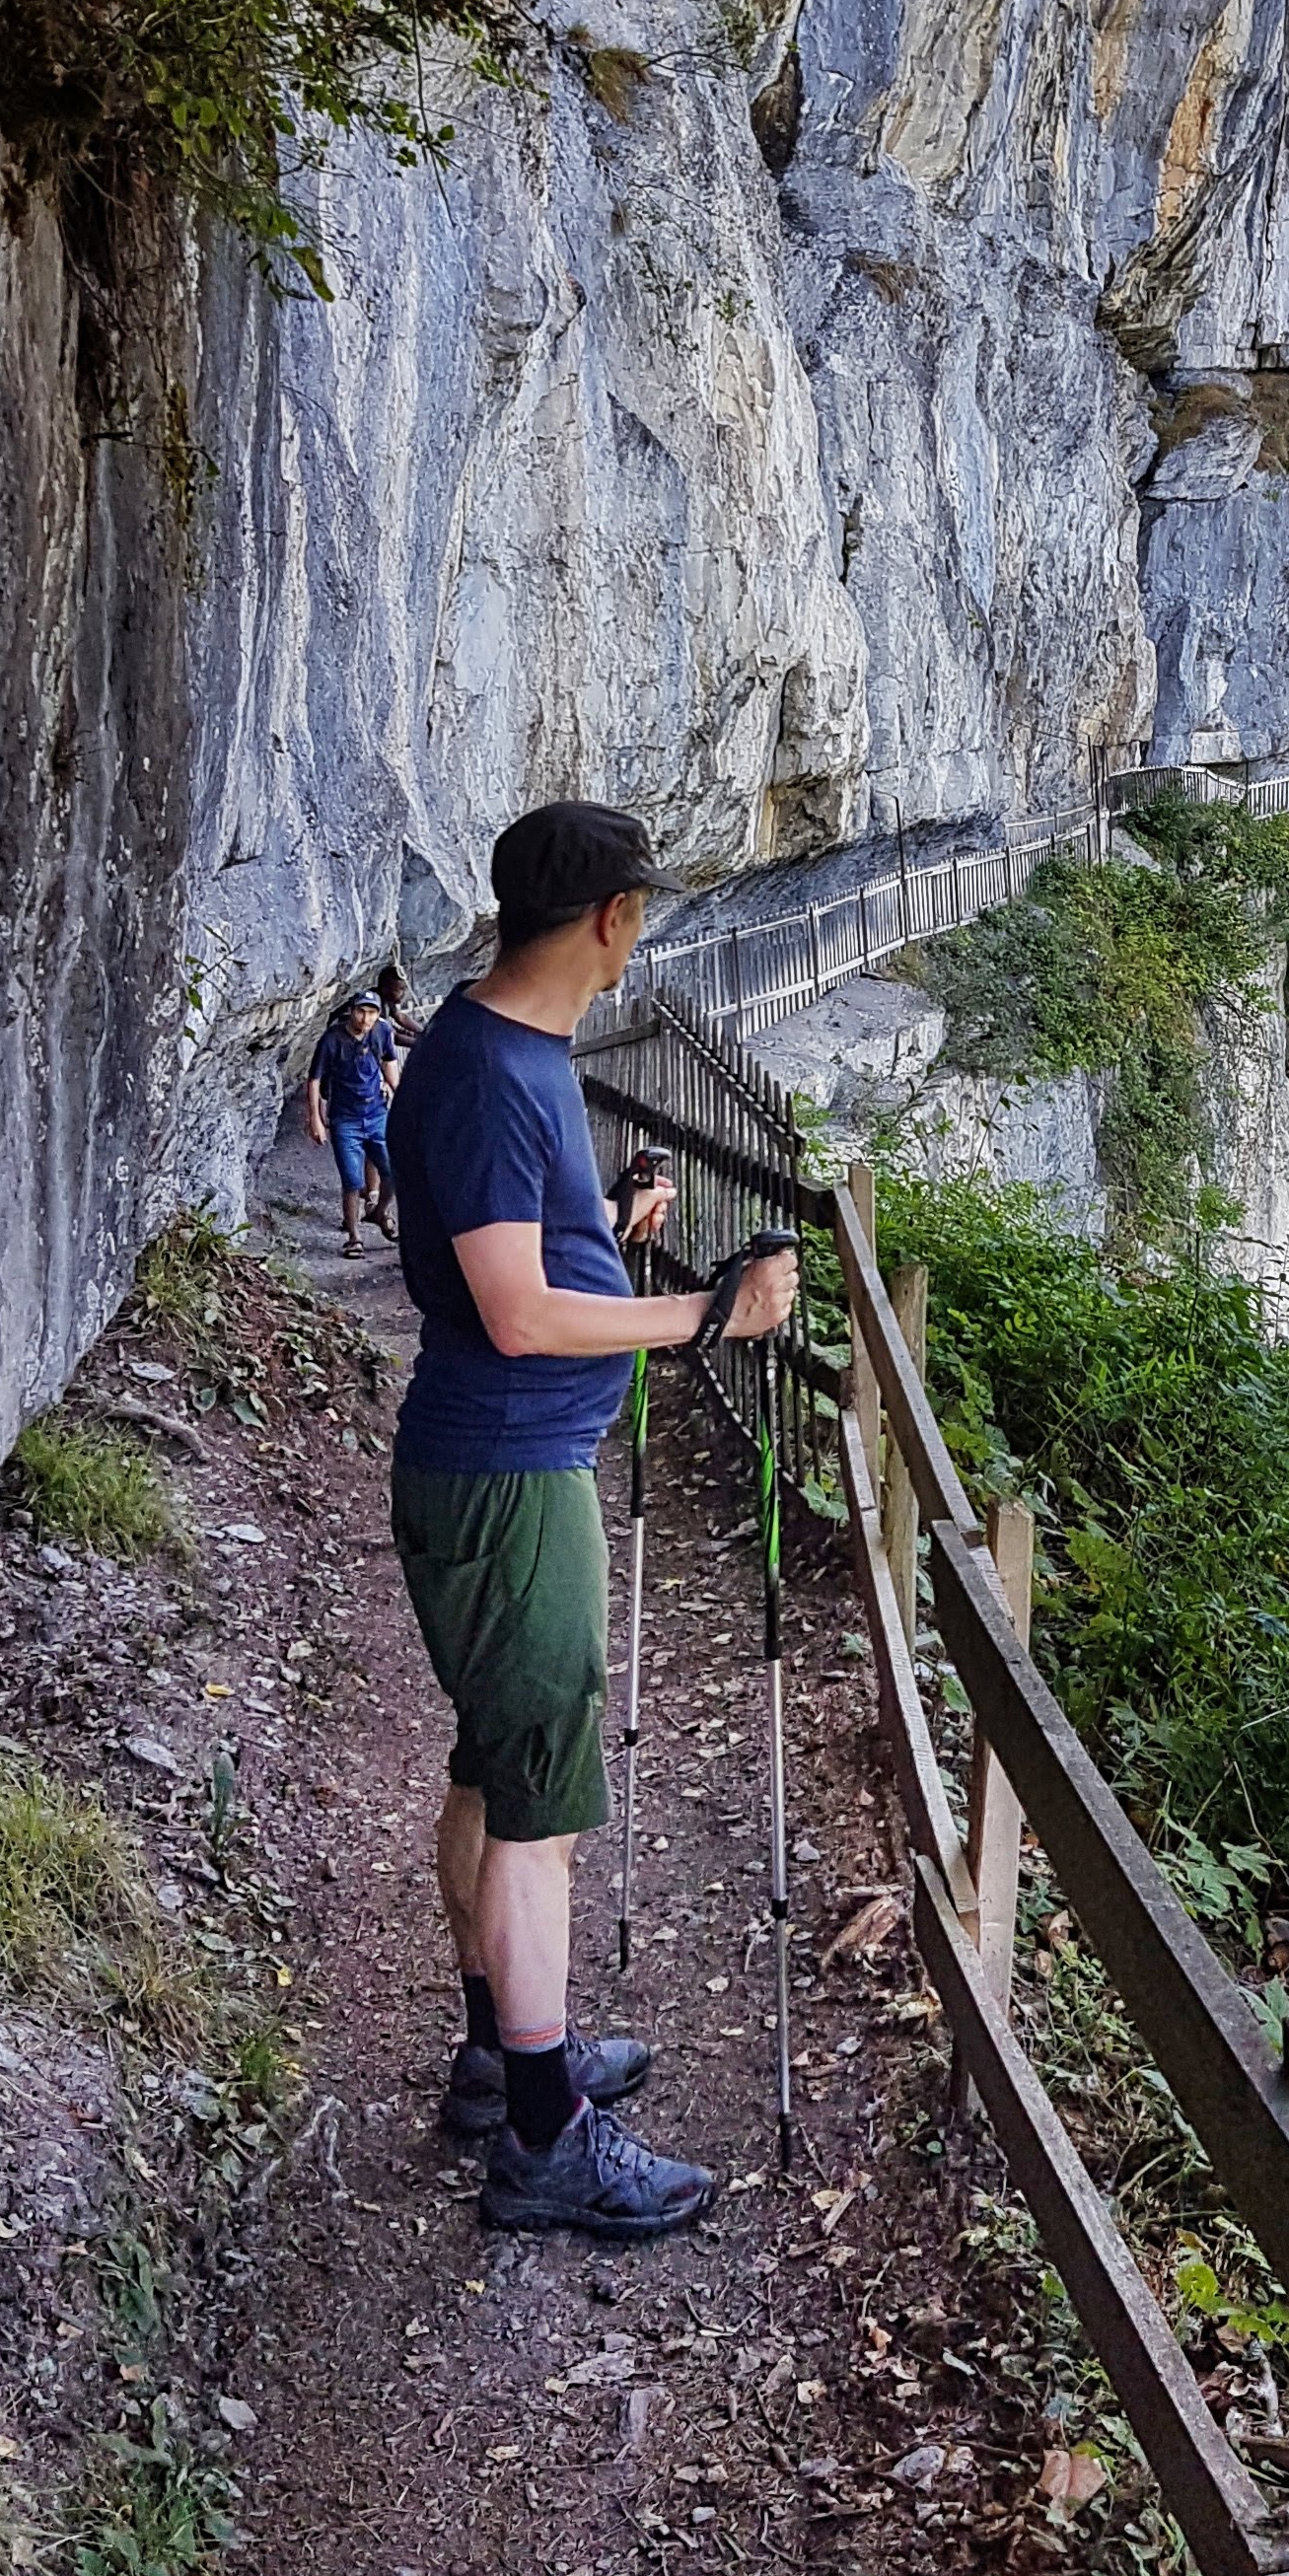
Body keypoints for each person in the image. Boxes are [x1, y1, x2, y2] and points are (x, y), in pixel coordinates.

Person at [385, 800, 798, 2237]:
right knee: (540, 1811)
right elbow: (512, 1313)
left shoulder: (496, 1047)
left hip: (490, 1461)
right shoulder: (499, 1075)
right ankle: (546, 2136)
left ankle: (503, 2058)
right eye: (642, 915)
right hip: (509, 1474)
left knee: (497, 1769)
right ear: (613, 918)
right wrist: (705, 1315)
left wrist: (607, 1226)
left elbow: (508, 1255)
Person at [307, 988, 401, 1253]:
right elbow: (314, 1079)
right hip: (345, 1118)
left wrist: (398, 1093)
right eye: (361, 1011)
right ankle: (354, 1237)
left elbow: (389, 1061)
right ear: (351, 1011)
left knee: (392, 1171)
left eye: (372, 1012)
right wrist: (315, 1118)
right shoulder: (332, 1039)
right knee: (351, 1180)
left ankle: (379, 1212)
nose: (365, 1018)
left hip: (376, 1113)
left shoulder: (381, 1031)